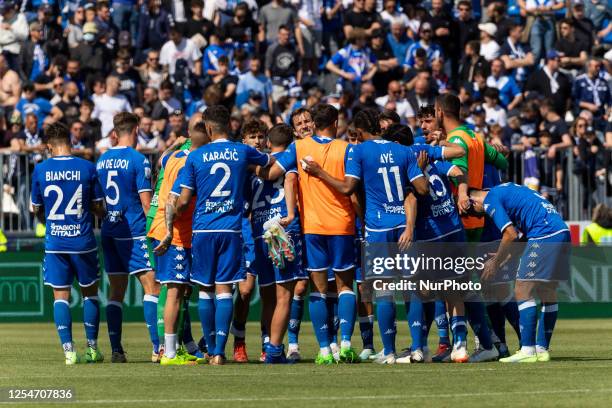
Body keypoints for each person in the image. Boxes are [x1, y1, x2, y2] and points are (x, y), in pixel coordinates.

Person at [256, 103, 361, 364]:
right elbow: (352, 189)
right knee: (345, 286)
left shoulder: (298, 148)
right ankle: (345, 344)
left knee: (317, 289)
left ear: (314, 123)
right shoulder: (347, 148)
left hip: (312, 228)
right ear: (336, 123)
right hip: (343, 225)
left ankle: (325, 349)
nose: (304, 125)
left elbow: (275, 173)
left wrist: (247, 163)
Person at [171, 105, 271, 365]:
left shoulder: (195, 156)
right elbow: (270, 162)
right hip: (231, 229)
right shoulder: (243, 151)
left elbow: (182, 201)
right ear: (230, 125)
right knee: (225, 290)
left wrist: (174, 212)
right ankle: (219, 353)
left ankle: (211, 346)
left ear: (208, 128)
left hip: (203, 229)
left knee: (206, 290)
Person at [31, 122, 106, 365]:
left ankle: (69, 352)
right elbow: (97, 206)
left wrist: (49, 219)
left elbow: (35, 208)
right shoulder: (87, 167)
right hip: (83, 241)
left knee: (60, 297)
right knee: (90, 295)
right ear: (70, 141)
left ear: (49, 146)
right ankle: (92, 348)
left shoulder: (41, 170)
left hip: (56, 243)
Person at [469, 183, 571, 363]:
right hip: (561, 231)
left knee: (522, 289)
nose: (480, 213)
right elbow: (521, 237)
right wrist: (506, 257)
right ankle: (541, 349)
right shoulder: (506, 190)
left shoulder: (490, 199)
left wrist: (495, 262)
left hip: (544, 234)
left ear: (473, 200)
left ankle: (528, 350)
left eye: (476, 212)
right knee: (548, 292)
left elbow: (510, 235)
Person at [96, 112, 160, 363]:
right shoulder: (138, 159)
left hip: (110, 230)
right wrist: (157, 231)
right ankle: (158, 348)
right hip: (134, 232)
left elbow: (99, 203)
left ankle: (116, 349)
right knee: (152, 287)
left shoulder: (102, 161)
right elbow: (146, 204)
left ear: (115, 132)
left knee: (116, 291)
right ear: (134, 131)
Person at [150, 121, 209, 366]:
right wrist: (168, 232)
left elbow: (160, 163)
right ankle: (170, 352)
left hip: (174, 232)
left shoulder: (174, 156)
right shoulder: (190, 162)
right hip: (172, 233)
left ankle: (177, 348)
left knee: (181, 290)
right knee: (173, 291)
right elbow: (174, 201)